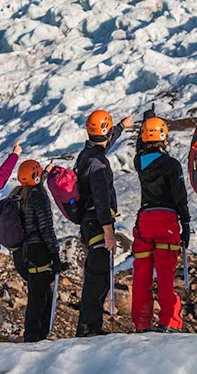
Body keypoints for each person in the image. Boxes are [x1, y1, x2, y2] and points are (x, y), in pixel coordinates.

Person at [75, 109, 134, 337]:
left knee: (95, 275)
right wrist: (108, 231)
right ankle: (90, 328)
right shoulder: (98, 163)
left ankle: (87, 326)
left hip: (88, 223)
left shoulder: (88, 155)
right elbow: (101, 197)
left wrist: (120, 127)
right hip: (98, 222)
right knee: (98, 278)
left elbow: (102, 146)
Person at [131, 113, 190, 332]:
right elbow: (180, 196)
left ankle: (142, 322)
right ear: (164, 137)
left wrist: (145, 123)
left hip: (145, 221)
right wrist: (186, 224)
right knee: (165, 275)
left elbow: (140, 148)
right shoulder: (172, 165)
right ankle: (169, 321)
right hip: (166, 220)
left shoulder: (140, 162)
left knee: (142, 275)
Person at [11, 159, 62, 342]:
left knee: (38, 294)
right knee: (40, 299)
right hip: (38, 253)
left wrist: (45, 172)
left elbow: (33, 182)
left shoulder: (17, 195)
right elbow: (46, 228)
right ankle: (34, 339)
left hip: (21, 255)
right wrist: (55, 255)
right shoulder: (38, 198)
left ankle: (36, 337)